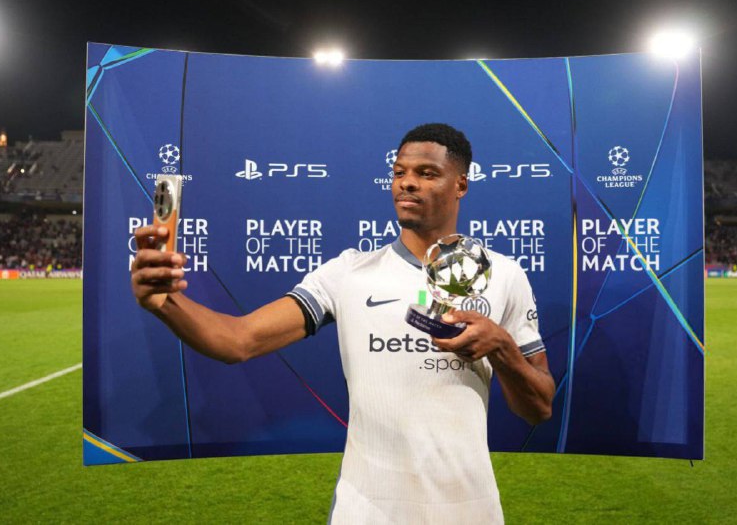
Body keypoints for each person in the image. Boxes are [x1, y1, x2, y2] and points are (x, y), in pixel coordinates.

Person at [131, 123, 555, 524]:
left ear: (461, 184)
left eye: (426, 174)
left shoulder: (504, 275)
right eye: (400, 173)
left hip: (469, 511)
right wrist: (165, 302)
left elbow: (538, 407)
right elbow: (237, 341)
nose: (407, 183)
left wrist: (501, 347)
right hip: (366, 511)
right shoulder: (348, 273)